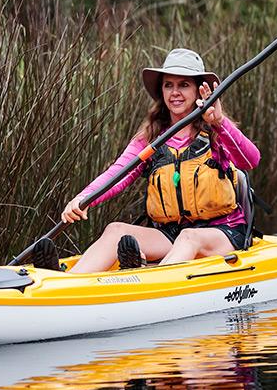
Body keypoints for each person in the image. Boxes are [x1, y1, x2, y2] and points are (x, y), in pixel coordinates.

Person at [34, 48, 260, 273]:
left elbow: (250, 160)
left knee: (189, 237)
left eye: (184, 85)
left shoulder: (215, 131)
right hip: (170, 234)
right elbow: (117, 174)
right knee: (116, 231)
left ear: (199, 91)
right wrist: (84, 198)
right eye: (168, 85)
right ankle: (67, 284)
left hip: (223, 232)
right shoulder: (150, 139)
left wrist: (219, 122)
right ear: (161, 91)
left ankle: (148, 282)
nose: (175, 92)